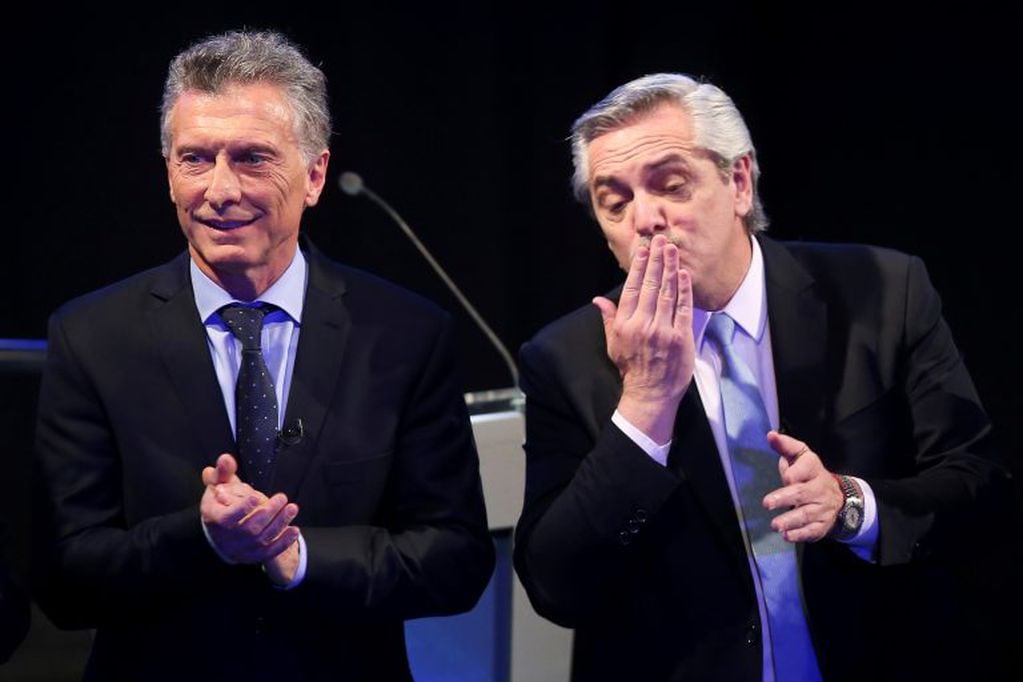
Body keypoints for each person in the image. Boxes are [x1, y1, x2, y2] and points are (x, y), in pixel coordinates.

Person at [513, 73, 1011, 681]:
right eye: (613, 202)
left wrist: (852, 505)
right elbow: (555, 587)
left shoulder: (883, 294)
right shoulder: (564, 359)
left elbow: (979, 487)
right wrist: (645, 402)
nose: (644, 219)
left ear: (739, 181)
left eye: (671, 185)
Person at [32, 29, 494, 681]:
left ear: (314, 174)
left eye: (251, 158)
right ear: (168, 173)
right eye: (195, 159)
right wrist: (202, 539)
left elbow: (455, 561)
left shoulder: (405, 334)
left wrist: (298, 556)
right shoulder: (91, 336)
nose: (219, 190)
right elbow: (63, 581)